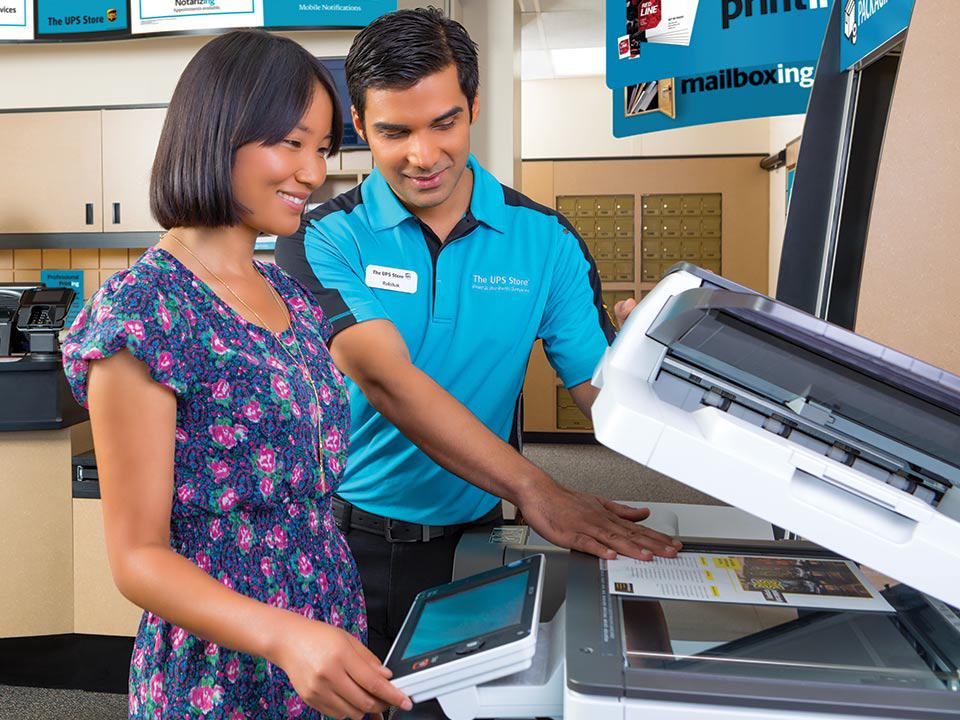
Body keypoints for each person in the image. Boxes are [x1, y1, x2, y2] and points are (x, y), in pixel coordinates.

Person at [276, 7, 682, 665]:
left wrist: (663, 368)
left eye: (445, 123)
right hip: (343, 543)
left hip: (475, 542)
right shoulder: (319, 237)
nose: (424, 155)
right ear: (358, 124)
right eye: (394, 131)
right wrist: (535, 487)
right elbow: (383, 377)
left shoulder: (546, 241)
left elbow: (603, 394)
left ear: (474, 105)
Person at [61, 30, 410, 720]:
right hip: (222, 671)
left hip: (324, 639)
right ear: (217, 134)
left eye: (323, 149)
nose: (312, 174)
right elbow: (138, 557)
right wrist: (284, 636)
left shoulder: (293, 297)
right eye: (290, 143)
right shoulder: (144, 310)